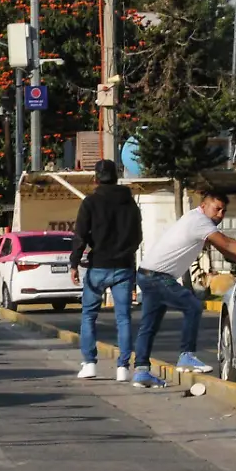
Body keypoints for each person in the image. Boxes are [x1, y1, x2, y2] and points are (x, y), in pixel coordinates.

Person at [133, 188, 236, 388]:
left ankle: (141, 372)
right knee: (193, 306)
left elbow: (226, 250)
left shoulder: (196, 220)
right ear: (203, 206)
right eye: (217, 209)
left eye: (223, 211)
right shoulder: (200, 222)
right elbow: (228, 244)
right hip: (157, 277)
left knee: (149, 326)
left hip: (147, 274)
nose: (220, 215)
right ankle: (186, 356)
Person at [68, 159, 142, 382]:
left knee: (89, 316)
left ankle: (89, 363)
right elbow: (137, 236)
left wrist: (74, 263)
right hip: (123, 267)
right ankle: (123, 368)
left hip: (98, 265)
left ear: (96, 178)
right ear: (117, 177)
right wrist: (126, 252)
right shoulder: (130, 203)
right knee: (124, 318)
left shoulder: (90, 202)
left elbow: (80, 235)